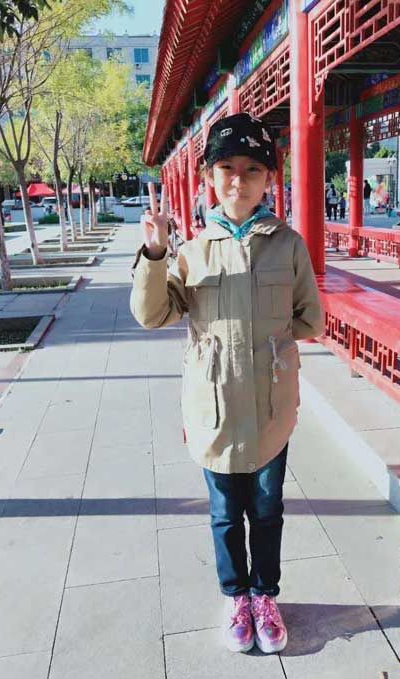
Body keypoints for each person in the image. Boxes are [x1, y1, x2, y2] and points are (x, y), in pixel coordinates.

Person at [130, 112, 324, 655]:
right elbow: (152, 314)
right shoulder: (190, 252)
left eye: (252, 168)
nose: (239, 180)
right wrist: (155, 253)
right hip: (211, 408)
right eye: (227, 168)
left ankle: (265, 596)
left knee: (267, 510)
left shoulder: (287, 246)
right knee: (223, 514)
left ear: (270, 178)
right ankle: (236, 597)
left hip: (270, 409)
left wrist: (271, 346)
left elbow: (310, 318)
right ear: (209, 178)